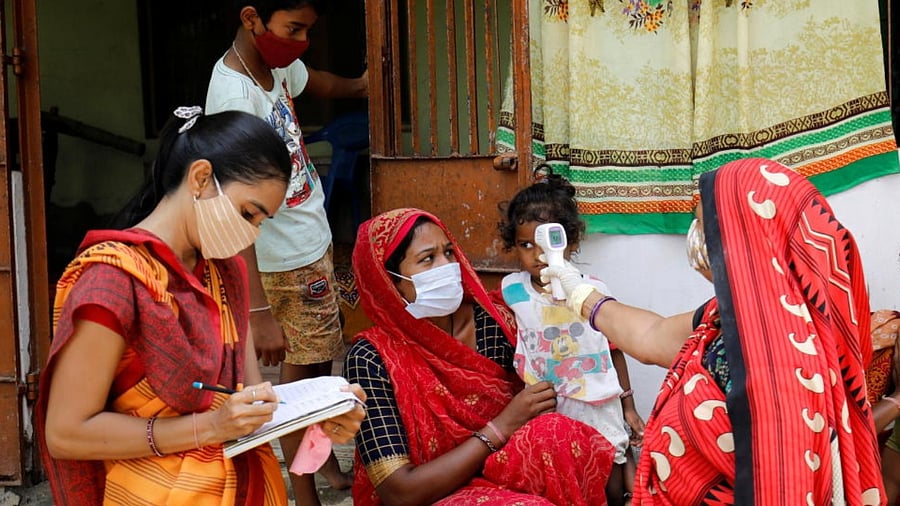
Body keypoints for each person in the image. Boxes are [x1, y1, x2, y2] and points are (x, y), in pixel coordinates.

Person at [35, 108, 366, 505]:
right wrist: (208, 428)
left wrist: (319, 417)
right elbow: (66, 433)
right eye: (248, 213)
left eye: (262, 222)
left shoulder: (224, 274)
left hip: (245, 486)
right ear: (201, 178)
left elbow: (247, 399)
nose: (253, 233)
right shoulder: (112, 281)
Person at [542, 158, 886, 504]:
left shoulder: (784, 368)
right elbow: (652, 335)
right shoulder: (728, 317)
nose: (697, 239)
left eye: (704, 226)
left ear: (745, 239)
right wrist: (580, 293)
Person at [204, 1, 368, 503]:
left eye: (306, 31)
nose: (300, 41)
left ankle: (321, 466)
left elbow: (314, 80)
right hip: (277, 265)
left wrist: (361, 86)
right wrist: (257, 310)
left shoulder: (275, 67)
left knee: (320, 367)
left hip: (307, 241)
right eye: (291, 29)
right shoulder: (233, 93)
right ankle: (303, 487)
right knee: (299, 381)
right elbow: (231, 209)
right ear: (252, 18)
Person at [343, 207, 616, 506]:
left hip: (503, 470)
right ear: (389, 280)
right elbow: (399, 492)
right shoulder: (370, 358)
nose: (447, 265)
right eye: (427, 259)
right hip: (431, 494)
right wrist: (500, 428)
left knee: (558, 433)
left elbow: (579, 358)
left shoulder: (491, 322)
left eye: (449, 252)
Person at [497, 170, 645, 505]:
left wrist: (629, 406)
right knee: (564, 474)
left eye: (546, 245)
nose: (537, 256)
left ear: (571, 243)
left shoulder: (592, 291)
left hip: (597, 403)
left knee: (610, 471)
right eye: (525, 245)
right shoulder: (512, 291)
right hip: (547, 406)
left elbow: (614, 350)